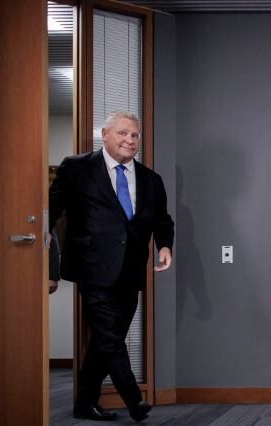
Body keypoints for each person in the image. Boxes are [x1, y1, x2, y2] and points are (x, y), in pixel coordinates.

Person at [49, 111, 174, 422]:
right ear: (104, 134)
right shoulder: (76, 168)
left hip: (131, 269)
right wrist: (42, 251)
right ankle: (134, 400)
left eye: (134, 136)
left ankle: (84, 403)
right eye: (122, 133)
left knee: (108, 337)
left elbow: (162, 219)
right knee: (109, 335)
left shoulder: (150, 179)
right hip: (91, 265)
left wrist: (165, 245)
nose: (130, 140)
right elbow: (51, 208)